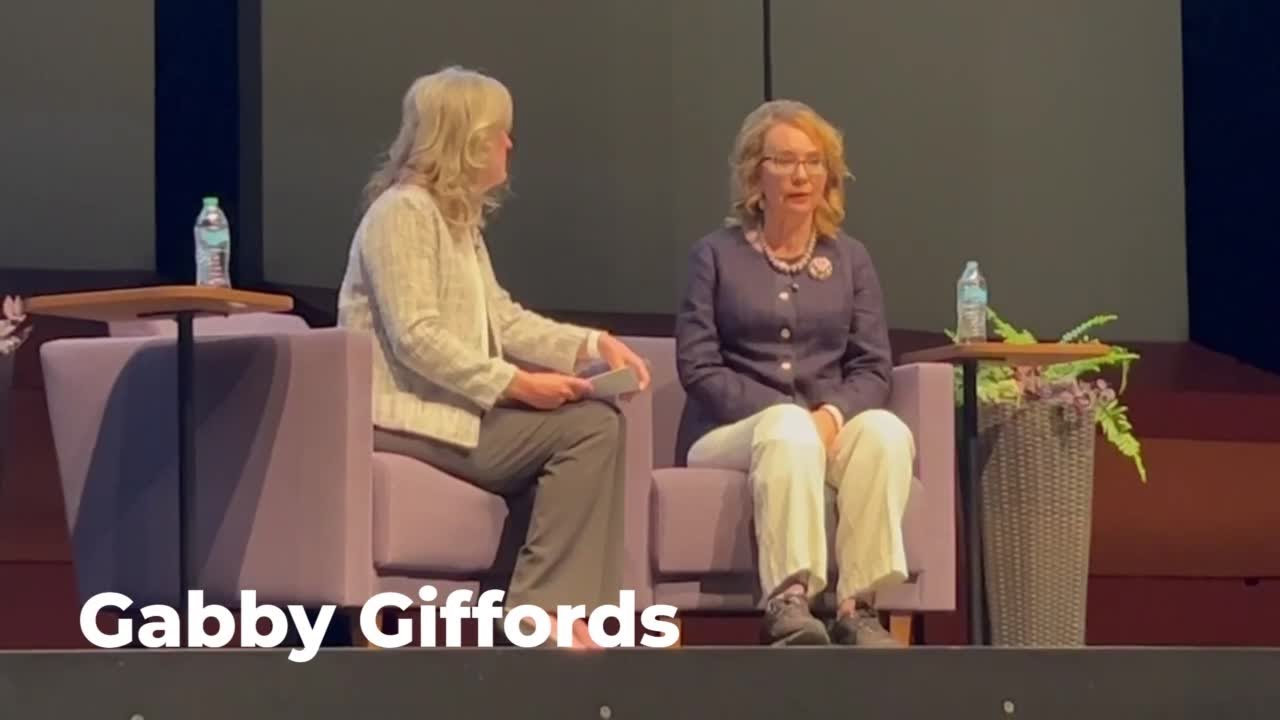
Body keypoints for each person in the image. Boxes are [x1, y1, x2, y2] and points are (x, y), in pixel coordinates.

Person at [337, 66, 651, 649]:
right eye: (500, 132)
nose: (510, 144)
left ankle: (570, 612)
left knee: (598, 422)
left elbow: (501, 318)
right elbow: (416, 335)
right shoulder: (402, 214)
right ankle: (540, 612)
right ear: (467, 139)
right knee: (585, 430)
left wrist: (590, 346)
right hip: (405, 414)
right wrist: (516, 386)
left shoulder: (455, 220)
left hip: (454, 409)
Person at [673, 99, 914, 647]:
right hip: (727, 435)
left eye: (813, 161)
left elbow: (874, 366)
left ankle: (858, 608)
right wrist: (786, 416)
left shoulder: (850, 259)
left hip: (821, 427)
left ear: (829, 174)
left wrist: (831, 416)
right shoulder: (714, 255)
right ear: (757, 172)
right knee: (784, 427)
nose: (801, 175)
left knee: (886, 433)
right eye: (784, 160)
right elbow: (698, 366)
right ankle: (789, 601)